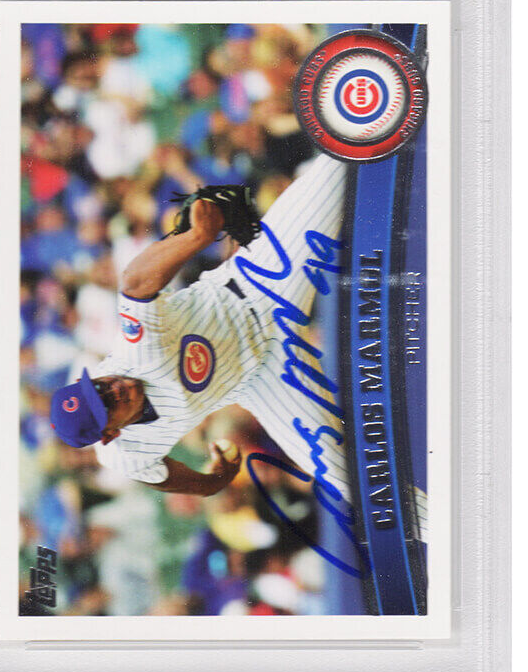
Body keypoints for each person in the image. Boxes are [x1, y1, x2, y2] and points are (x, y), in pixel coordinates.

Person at [51, 154, 351, 499]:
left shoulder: (137, 353)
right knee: (343, 477)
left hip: (256, 285)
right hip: (264, 378)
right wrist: (217, 478)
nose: (113, 390)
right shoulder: (126, 455)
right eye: (107, 405)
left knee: (339, 165)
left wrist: (197, 237)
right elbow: (184, 482)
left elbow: (133, 283)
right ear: (110, 434)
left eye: (99, 387)